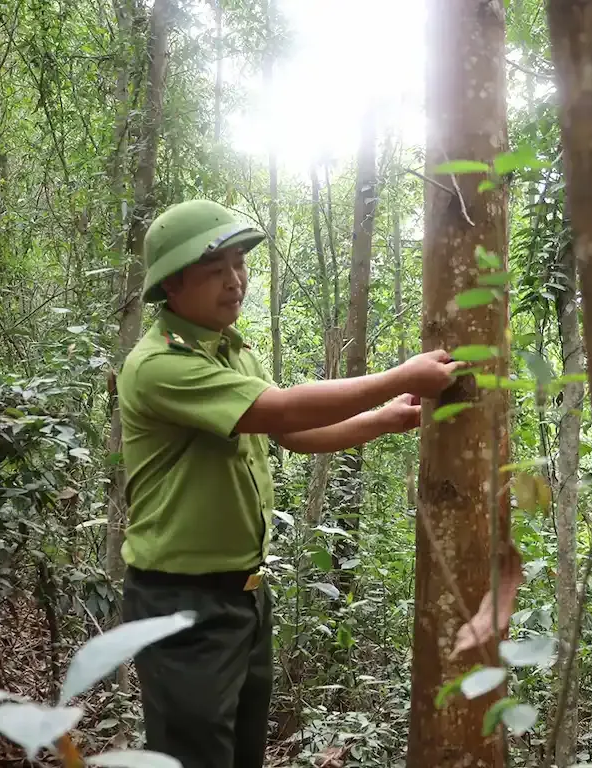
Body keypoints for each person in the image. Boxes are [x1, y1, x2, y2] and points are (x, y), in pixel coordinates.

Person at [115, 199, 461, 768]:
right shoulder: (159, 365)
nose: (235, 281)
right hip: (180, 603)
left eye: (239, 264)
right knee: (194, 757)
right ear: (173, 285)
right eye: (215, 270)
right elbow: (278, 409)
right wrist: (398, 376)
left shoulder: (232, 350)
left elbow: (291, 433)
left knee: (243, 751)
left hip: (246, 596)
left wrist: (384, 418)